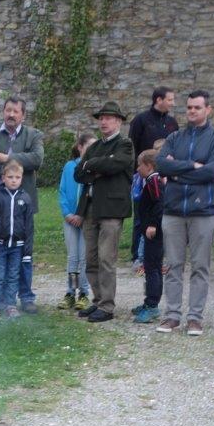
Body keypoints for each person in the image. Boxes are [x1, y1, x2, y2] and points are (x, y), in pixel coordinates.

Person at [155, 90, 214, 336]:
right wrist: (190, 166)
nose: (192, 111)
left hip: (203, 211)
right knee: (173, 265)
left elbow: (212, 171)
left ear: (208, 109)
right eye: (189, 107)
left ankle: (195, 318)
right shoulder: (175, 137)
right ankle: (172, 315)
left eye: (197, 107)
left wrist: (176, 174)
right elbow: (161, 164)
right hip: (174, 210)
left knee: (200, 266)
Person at [0, 96, 44, 313]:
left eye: (16, 111)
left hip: (22, 204)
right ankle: (0, 299)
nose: (11, 115)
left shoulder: (33, 135)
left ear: (23, 115)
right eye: (8, 110)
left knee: (23, 252)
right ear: (3, 111)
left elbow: (37, 159)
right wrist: (14, 170)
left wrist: (7, 158)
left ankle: (26, 297)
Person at [72, 101, 135, 323]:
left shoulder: (125, 144)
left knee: (106, 258)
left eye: (108, 118)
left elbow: (116, 164)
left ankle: (107, 306)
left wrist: (92, 165)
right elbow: (78, 173)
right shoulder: (95, 146)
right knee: (91, 259)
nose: (103, 122)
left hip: (112, 208)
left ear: (118, 121)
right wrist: (98, 166)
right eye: (101, 118)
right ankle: (98, 300)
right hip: (90, 208)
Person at [128, 87, 178, 272]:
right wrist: (135, 174)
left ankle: (160, 256)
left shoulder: (172, 122)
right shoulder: (141, 120)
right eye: (170, 99)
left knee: (162, 215)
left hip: (166, 177)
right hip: (143, 177)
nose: (173, 103)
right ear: (159, 100)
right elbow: (132, 147)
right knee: (141, 217)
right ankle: (137, 256)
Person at [0, 160, 33, 320]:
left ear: (21, 178)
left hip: (18, 247)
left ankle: (10, 305)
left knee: (13, 276)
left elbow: (29, 226)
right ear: (3, 178)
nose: (13, 180)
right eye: (10, 177)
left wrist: (27, 251)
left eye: (17, 177)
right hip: (0, 246)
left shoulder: (25, 198)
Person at [58, 132, 95, 311]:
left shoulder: (94, 167)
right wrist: (67, 213)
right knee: (72, 258)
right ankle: (71, 292)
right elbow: (62, 191)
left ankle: (84, 293)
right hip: (70, 219)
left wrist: (82, 215)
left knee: (84, 258)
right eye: (89, 147)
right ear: (80, 147)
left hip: (86, 219)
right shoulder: (69, 166)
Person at [132, 150, 165, 324]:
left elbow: (159, 203)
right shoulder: (151, 181)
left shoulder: (154, 181)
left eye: (140, 165)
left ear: (149, 166)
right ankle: (148, 302)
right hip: (150, 232)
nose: (137, 168)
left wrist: (153, 224)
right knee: (151, 266)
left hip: (154, 233)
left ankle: (152, 305)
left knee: (152, 268)